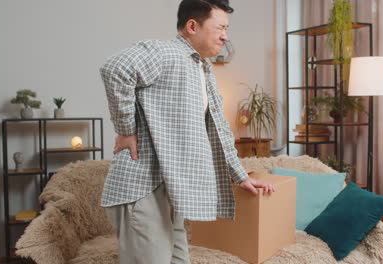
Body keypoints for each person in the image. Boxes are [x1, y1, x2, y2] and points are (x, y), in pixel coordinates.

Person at [99, 0, 275, 263]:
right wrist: (126, 130)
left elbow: (219, 130)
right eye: (220, 28)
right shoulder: (166, 52)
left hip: (174, 187)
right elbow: (116, 69)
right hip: (145, 186)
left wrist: (241, 176)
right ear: (193, 26)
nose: (225, 36)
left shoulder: (202, 69)